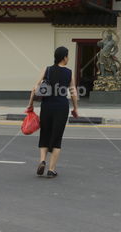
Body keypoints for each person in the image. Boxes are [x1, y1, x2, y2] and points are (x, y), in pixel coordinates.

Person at [28, 46, 79, 178]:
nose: (68, 58)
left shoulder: (47, 69)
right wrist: (75, 109)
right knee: (57, 137)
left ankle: (42, 161)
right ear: (64, 57)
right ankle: (51, 169)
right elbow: (73, 92)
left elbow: (34, 88)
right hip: (61, 107)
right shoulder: (69, 72)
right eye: (68, 56)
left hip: (47, 106)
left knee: (45, 134)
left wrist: (30, 105)